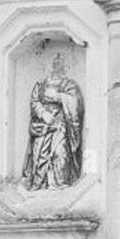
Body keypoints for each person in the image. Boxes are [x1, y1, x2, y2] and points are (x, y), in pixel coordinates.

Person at [22, 53, 84, 190]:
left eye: (60, 66)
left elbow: (75, 103)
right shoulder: (40, 84)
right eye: (55, 65)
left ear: (65, 68)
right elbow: (35, 101)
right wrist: (43, 114)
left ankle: (58, 183)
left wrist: (58, 97)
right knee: (39, 154)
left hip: (61, 124)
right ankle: (39, 184)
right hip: (42, 125)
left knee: (59, 152)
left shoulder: (69, 84)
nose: (57, 68)